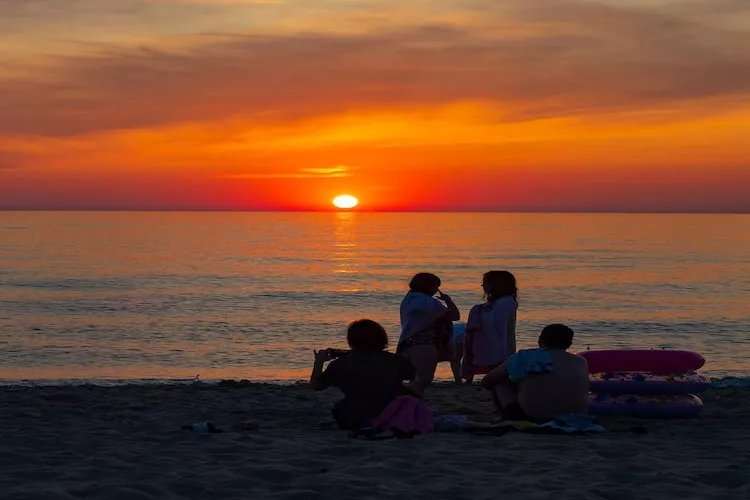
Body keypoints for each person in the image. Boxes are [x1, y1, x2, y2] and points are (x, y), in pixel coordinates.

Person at [310, 319, 416, 430]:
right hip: (392, 410)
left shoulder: (342, 363)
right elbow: (413, 379)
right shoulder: (397, 360)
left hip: (354, 412)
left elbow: (316, 386)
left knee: (340, 408)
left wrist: (319, 362)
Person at [481, 324, 590, 422]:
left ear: (540, 340)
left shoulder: (524, 357)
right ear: (569, 344)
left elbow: (487, 381)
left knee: (500, 381)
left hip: (531, 417)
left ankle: (504, 416)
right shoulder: (580, 361)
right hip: (575, 416)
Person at [398, 273, 460, 393]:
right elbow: (454, 315)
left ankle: (412, 400)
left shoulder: (410, 299)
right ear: (429, 286)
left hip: (411, 342)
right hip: (423, 343)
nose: (437, 290)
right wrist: (448, 301)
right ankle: (412, 400)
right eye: (436, 286)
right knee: (424, 378)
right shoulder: (424, 301)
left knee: (416, 377)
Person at [462, 270, 518, 383]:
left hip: (496, 342)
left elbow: (502, 327)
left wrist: (506, 353)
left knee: (495, 366)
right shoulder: (500, 302)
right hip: (491, 340)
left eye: (485, 283)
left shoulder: (505, 302)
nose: (482, 285)